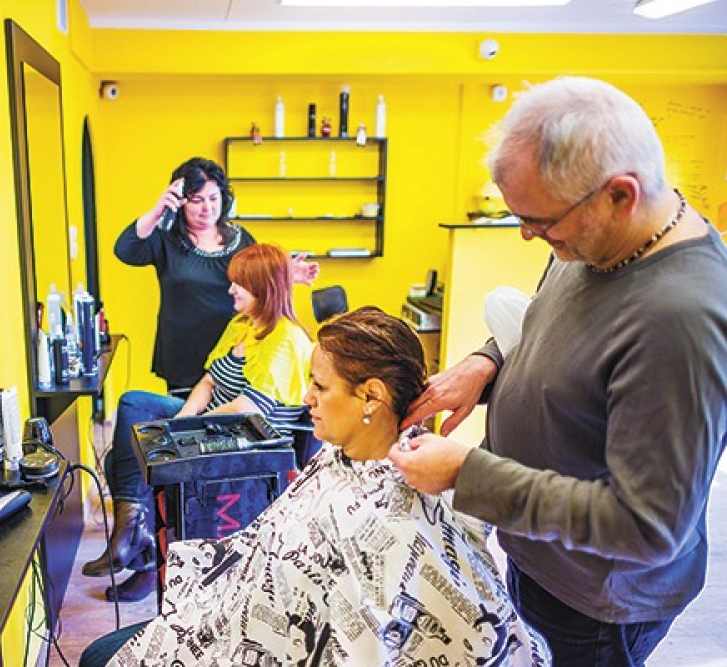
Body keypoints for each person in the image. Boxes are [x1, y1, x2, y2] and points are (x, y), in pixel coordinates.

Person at [391, 76, 727, 666]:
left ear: (619, 195)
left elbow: (648, 527)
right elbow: (552, 321)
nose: (530, 236)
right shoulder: (604, 238)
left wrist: (468, 473)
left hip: (596, 603)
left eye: (541, 223)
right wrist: (486, 362)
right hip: (542, 556)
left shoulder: (681, 320)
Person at [80, 307, 550, 666]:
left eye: (320, 387)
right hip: (237, 621)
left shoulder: (397, 512)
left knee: (98, 657)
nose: (306, 398)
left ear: (371, 397)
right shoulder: (337, 456)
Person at [83, 243, 314, 602]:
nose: (230, 290)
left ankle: (139, 548)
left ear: (264, 287)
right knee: (132, 418)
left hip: (245, 441)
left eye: (239, 284)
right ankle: (137, 538)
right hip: (215, 423)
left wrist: (186, 429)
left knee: (124, 453)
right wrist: (181, 421)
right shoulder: (242, 324)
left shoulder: (284, 338)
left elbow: (249, 408)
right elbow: (208, 381)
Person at [115, 156, 318, 396]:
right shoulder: (166, 238)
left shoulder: (239, 238)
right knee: (186, 414)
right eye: (197, 200)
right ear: (180, 201)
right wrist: (158, 210)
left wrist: (286, 275)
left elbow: (258, 280)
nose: (207, 208)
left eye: (213, 198)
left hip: (235, 349)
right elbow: (125, 250)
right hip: (184, 352)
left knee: (229, 414)